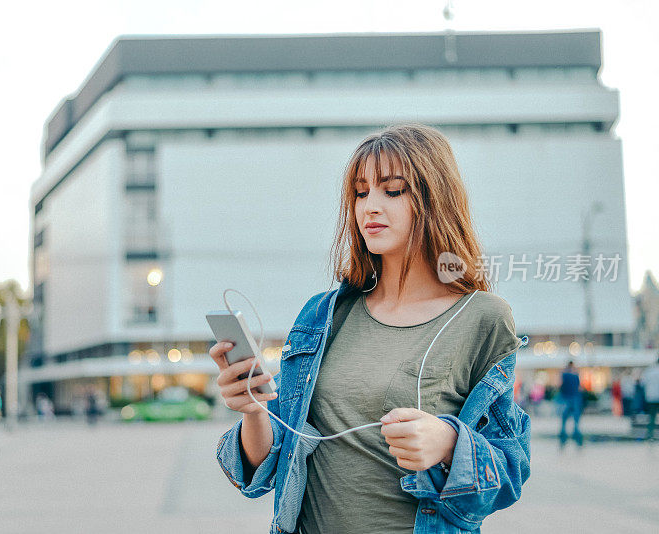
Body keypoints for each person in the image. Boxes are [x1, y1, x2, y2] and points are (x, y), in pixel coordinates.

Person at [212, 124, 530, 534]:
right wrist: (254, 411)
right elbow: (267, 465)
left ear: (435, 198)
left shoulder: (483, 317)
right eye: (361, 193)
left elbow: (511, 471)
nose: (369, 207)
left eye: (392, 190)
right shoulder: (324, 314)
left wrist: (449, 444)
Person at [558, 360, 583, 446]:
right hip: (574, 397)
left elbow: (560, 385)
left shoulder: (564, 375)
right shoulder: (576, 375)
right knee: (575, 417)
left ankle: (563, 435)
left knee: (564, 417)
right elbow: (579, 387)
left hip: (566, 398)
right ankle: (576, 434)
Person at [641, 355, 659, 440]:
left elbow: (643, 383)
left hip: (651, 397)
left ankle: (650, 434)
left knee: (652, 417)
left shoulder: (649, 371)